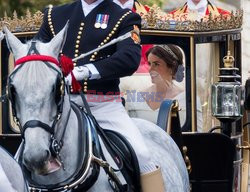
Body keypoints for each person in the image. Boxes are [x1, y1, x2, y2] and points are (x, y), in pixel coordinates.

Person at [35, 0, 164, 191]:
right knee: (23, 155)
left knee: (142, 155)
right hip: (59, 107)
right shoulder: (54, 15)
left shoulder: (125, 18)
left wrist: (86, 71)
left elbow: (129, 58)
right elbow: (36, 54)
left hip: (104, 107)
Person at [136, 44, 203, 131]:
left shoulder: (189, 99)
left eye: (156, 64)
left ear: (172, 67)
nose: (150, 69)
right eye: (149, 64)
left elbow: (196, 134)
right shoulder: (137, 97)